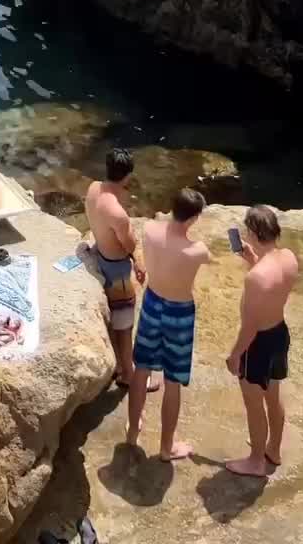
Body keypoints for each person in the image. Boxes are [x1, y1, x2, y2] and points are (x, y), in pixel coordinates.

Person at [126, 189, 211, 460]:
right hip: (179, 313)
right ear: (194, 218)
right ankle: (166, 448)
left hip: (152, 302)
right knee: (172, 381)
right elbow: (209, 257)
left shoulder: (149, 229)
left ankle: (132, 431)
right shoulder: (197, 250)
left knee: (142, 368)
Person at [225, 205, 298, 477]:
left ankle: (256, 461)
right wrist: (254, 260)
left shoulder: (255, 278)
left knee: (254, 405)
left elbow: (250, 327)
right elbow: (274, 285)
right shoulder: (288, 257)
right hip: (279, 334)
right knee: (273, 395)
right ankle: (273, 450)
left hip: (257, 345)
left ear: (254, 232)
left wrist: (234, 355)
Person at [85, 147, 144, 385]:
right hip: (117, 268)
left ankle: (119, 365)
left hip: (100, 254)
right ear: (128, 176)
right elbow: (129, 244)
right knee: (125, 325)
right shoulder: (118, 213)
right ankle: (127, 374)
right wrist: (140, 261)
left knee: (115, 322)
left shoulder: (92, 188)